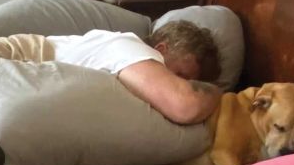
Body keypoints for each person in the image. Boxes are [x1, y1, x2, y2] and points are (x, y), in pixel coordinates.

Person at [47, 20, 222, 125]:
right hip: (29, 60)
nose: (182, 85)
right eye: (180, 76)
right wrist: (220, 93)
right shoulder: (131, 48)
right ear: (160, 49)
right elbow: (185, 105)